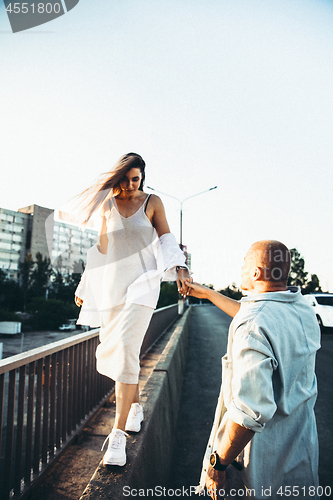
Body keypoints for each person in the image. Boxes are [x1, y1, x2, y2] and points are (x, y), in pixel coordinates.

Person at [73, 153, 192, 467]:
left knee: (126, 348)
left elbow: (166, 239)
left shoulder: (152, 203)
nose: (129, 184)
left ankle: (117, 435)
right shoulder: (107, 206)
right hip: (112, 289)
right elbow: (101, 250)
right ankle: (135, 406)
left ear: (143, 177)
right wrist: (86, 285)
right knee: (122, 355)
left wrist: (180, 266)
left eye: (135, 178)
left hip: (142, 287)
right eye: (124, 178)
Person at [186, 240, 320, 500]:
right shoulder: (302, 309)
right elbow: (255, 312)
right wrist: (208, 294)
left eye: (245, 262)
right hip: (301, 455)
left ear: (257, 272)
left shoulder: (253, 324)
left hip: (263, 469)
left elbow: (250, 411)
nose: (242, 267)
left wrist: (218, 464)